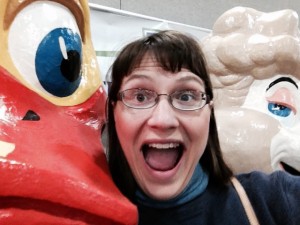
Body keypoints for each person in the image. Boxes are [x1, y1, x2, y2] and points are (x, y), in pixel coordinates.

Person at [106, 30, 300, 225]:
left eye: (185, 97)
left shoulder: (274, 200)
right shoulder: (85, 213)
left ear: (209, 112)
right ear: (114, 112)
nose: (163, 120)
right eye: (140, 97)